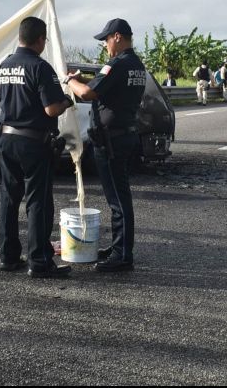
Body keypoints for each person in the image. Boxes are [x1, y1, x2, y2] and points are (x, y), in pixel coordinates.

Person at [0, 17, 74, 278]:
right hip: (33, 142)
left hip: (7, 138)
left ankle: (8, 256)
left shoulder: (4, 66)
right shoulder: (41, 67)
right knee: (37, 202)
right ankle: (39, 262)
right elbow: (51, 108)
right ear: (41, 39)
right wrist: (66, 100)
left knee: (9, 198)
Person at [66, 18, 146, 272]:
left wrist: (69, 81)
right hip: (123, 135)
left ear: (118, 37)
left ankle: (122, 255)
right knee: (118, 197)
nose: (105, 45)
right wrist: (83, 79)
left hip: (112, 139)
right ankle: (119, 247)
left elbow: (88, 94)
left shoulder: (119, 64)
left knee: (118, 199)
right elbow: (102, 84)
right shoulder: (135, 64)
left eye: (106, 40)